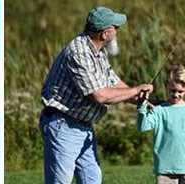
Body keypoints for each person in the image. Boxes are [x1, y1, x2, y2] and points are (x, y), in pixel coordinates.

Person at [39, 6, 154, 184]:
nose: (117, 31)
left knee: (92, 179)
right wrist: (135, 89)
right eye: (116, 28)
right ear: (105, 33)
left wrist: (138, 98)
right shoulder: (79, 52)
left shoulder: (98, 51)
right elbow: (99, 95)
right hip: (63, 126)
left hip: (84, 127)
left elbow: (112, 81)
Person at [137, 65, 185, 184]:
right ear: (167, 87)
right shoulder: (159, 110)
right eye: (172, 90)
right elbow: (143, 127)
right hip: (165, 170)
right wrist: (142, 106)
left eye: (180, 91)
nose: (176, 94)